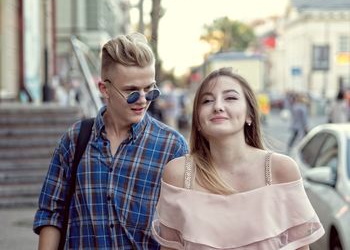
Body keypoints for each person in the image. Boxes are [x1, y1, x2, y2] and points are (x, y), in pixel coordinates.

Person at [33, 33, 189, 249]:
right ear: (104, 89)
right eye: (131, 92)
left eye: (150, 90)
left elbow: (184, 227)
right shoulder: (75, 139)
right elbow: (51, 212)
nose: (143, 100)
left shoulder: (173, 147)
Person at [152, 67, 324, 249]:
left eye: (231, 98)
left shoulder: (281, 169)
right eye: (207, 100)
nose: (218, 106)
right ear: (198, 120)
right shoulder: (177, 174)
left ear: (249, 114)